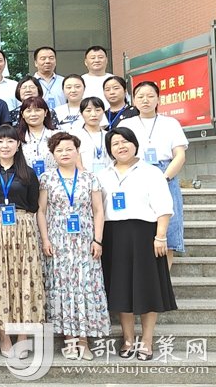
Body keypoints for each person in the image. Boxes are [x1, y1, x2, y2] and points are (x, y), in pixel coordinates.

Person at [98, 127, 177, 361]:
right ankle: (128, 339)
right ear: (109, 149)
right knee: (121, 289)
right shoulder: (102, 175)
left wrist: (160, 236)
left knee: (147, 288)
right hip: (113, 236)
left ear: (135, 144)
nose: (121, 146)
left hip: (145, 234)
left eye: (125, 141)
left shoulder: (151, 172)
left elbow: (164, 206)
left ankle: (147, 341)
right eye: (115, 144)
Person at [36, 132, 110, 360]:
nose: (65, 153)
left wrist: (98, 239)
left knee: (84, 286)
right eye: (59, 150)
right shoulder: (47, 178)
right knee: (63, 288)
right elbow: (41, 211)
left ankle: (84, 341)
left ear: (77, 151)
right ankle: (69, 340)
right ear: (53, 154)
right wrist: (45, 239)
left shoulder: (90, 178)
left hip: (85, 242)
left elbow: (98, 210)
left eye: (69, 149)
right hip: (57, 243)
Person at [0, 125, 43, 359]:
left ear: (18, 144)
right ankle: (4, 335)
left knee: (24, 279)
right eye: (0, 141)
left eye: (10, 141)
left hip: (23, 229)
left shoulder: (28, 173)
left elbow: (33, 204)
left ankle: (22, 336)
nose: (5, 145)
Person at [118, 81, 188, 265]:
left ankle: (166, 279)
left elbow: (180, 155)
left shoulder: (170, 123)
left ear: (158, 99)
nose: (145, 100)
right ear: (133, 100)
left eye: (150, 96)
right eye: (140, 96)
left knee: (169, 230)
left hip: (166, 173)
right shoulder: (126, 124)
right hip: (135, 173)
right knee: (139, 226)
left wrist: (163, 178)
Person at [16, 96, 58, 177]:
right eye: (28, 111)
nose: (33, 114)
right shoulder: (16, 138)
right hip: (25, 180)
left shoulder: (57, 135)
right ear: (22, 114)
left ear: (45, 112)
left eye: (37, 110)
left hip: (54, 180)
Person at [70, 97, 110, 174]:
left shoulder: (109, 135)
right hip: (84, 176)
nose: (93, 114)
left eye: (98, 110)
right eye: (88, 110)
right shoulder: (74, 136)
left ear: (103, 112)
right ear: (81, 113)